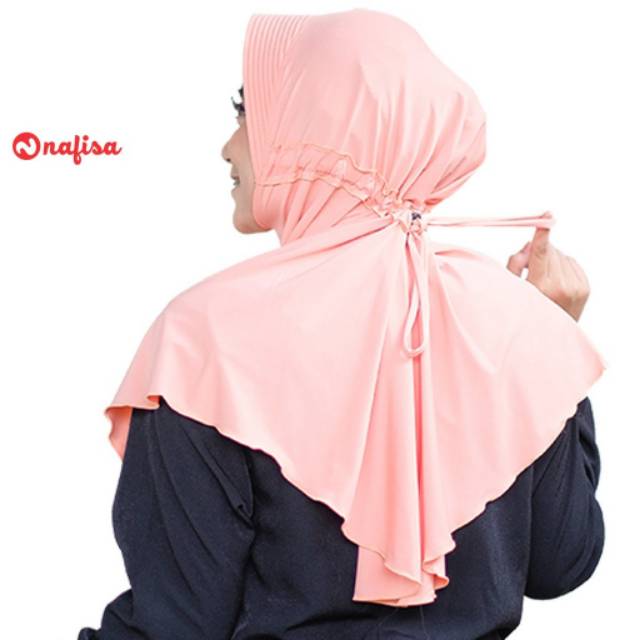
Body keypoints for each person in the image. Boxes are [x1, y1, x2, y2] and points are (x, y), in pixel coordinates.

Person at [78, 9, 607, 639]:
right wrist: (552, 340)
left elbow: (177, 622)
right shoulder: (515, 323)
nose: (228, 147)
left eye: (247, 113)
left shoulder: (204, 340)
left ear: (313, 128)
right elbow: (562, 563)